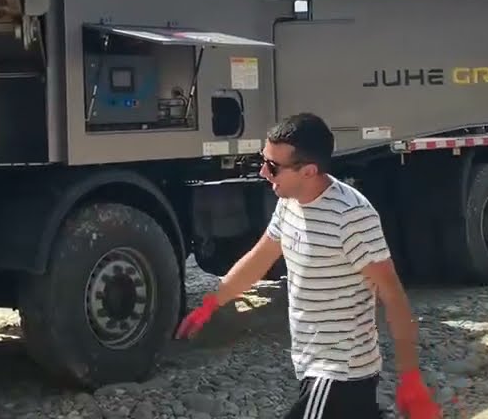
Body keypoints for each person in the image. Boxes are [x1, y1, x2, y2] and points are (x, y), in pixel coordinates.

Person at [176, 112, 441, 419]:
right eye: (263, 160)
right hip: (309, 365)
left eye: (273, 166)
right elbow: (258, 260)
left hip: (341, 372)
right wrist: (210, 304)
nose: (263, 172)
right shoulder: (287, 202)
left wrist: (410, 379)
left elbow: (393, 296)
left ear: (309, 171)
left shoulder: (352, 216)